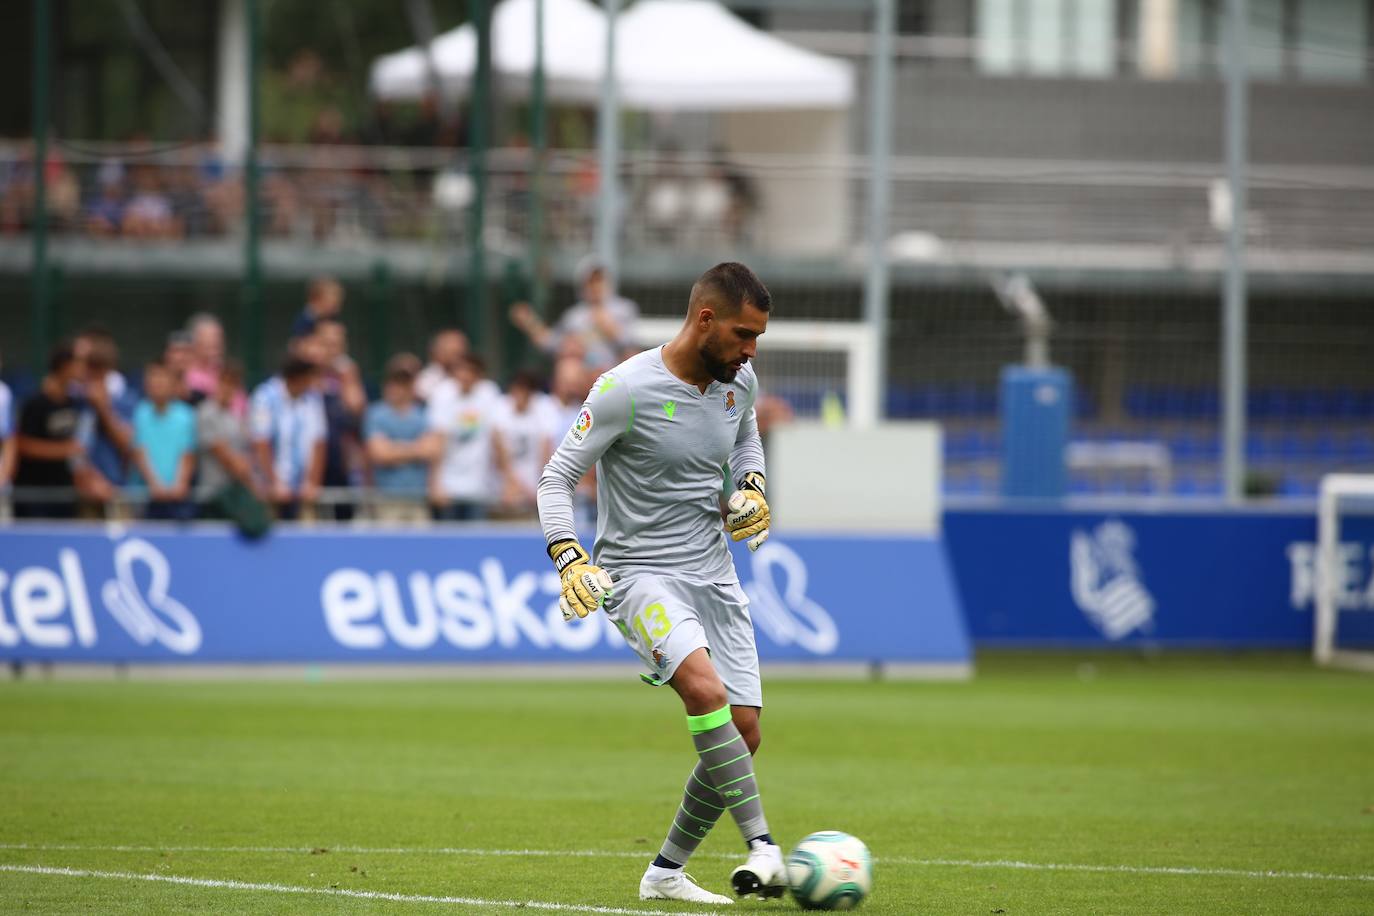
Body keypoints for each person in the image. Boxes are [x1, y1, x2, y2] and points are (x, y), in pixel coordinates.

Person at [536, 262, 781, 904]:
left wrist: (752, 488)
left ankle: (665, 872)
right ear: (705, 319)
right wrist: (569, 556)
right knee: (705, 693)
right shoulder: (624, 388)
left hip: (714, 572)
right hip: (639, 575)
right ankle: (764, 848)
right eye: (743, 334)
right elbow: (555, 479)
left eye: (757, 337)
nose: (751, 350)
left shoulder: (740, 382)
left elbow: (746, 444)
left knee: (745, 729)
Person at [509, 259, 640, 371]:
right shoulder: (574, 316)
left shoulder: (624, 309)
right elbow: (553, 343)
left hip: (615, 371)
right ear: (583, 286)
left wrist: (610, 329)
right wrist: (530, 323)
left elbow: (632, 343)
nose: (595, 286)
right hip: (585, 372)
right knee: (567, 368)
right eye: (591, 282)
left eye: (599, 280)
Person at [13, 342, 88, 519]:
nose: (84, 368)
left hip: (64, 493)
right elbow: (23, 444)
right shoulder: (35, 403)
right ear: (64, 366)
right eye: (79, 363)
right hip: (34, 495)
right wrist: (64, 450)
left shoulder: (75, 403)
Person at [425, 353, 504, 521]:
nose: (465, 375)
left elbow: (496, 439)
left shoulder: (489, 393)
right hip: (448, 486)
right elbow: (438, 440)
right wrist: (435, 483)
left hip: (479, 487)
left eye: (471, 371)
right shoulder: (442, 393)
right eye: (461, 370)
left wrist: (507, 480)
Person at [250, 355, 326, 519]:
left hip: (302, 491)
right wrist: (274, 482)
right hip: (271, 492)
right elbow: (261, 442)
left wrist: (312, 482)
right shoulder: (264, 397)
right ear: (296, 379)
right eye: (307, 379)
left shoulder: (313, 398)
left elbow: (319, 442)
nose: (310, 384)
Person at [365, 364, 437, 524]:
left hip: (418, 498)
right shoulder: (376, 414)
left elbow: (430, 450)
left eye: (403, 384)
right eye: (394, 383)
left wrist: (394, 449)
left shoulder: (422, 415)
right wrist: (415, 449)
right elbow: (380, 454)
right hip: (387, 497)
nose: (397, 389)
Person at [130, 361, 197, 521]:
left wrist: (180, 484)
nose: (157, 384)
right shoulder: (141, 412)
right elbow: (140, 452)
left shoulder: (186, 415)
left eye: (162, 379)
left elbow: (187, 453)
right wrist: (155, 485)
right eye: (153, 379)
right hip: (146, 498)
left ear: (172, 384)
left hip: (178, 499)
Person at [490, 371, 556, 519]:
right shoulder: (500, 407)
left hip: (533, 488)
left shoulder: (543, 409)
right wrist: (514, 484)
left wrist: (539, 487)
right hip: (505, 489)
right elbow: (499, 450)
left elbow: (546, 450)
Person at [196, 360, 258, 514]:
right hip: (213, 497)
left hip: (235, 496)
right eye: (224, 382)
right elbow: (226, 457)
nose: (227, 388)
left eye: (233, 384)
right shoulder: (206, 412)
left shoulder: (236, 418)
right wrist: (254, 488)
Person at [415, 328, 469, 403]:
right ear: (436, 352)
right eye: (453, 353)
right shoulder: (427, 380)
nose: (457, 358)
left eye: (460, 353)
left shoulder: (473, 377)